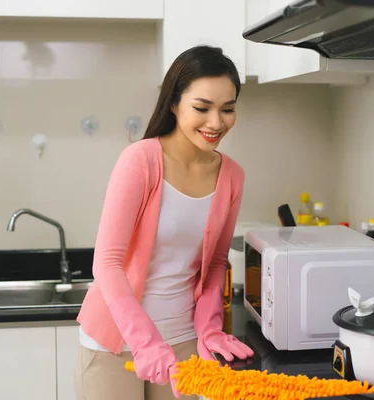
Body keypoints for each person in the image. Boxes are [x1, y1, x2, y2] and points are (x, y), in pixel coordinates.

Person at [73, 45, 254, 400]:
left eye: (228, 109)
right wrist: (145, 343)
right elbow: (107, 264)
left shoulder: (232, 176)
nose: (216, 123)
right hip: (114, 343)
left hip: (184, 343)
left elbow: (215, 263)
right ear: (174, 103)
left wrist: (210, 329)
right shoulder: (141, 161)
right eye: (202, 108)